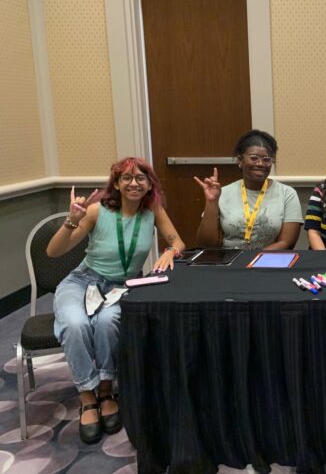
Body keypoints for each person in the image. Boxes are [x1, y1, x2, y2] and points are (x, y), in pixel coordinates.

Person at [47, 157, 185, 444]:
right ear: (117, 185)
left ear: (150, 185)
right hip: (82, 282)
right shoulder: (97, 211)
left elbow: (177, 242)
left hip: (121, 287)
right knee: (75, 324)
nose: (134, 183)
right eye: (126, 178)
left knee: (110, 322)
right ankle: (87, 395)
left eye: (141, 178)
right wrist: (71, 220)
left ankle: (107, 390)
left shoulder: (152, 211)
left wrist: (170, 252)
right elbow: (54, 252)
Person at [195, 130, 303, 250]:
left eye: (267, 159)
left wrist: (252, 261)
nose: (260, 164)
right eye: (254, 158)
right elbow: (206, 244)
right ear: (240, 160)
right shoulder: (222, 193)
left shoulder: (287, 194)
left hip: (268, 262)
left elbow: (286, 243)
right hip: (228, 262)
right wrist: (212, 202)